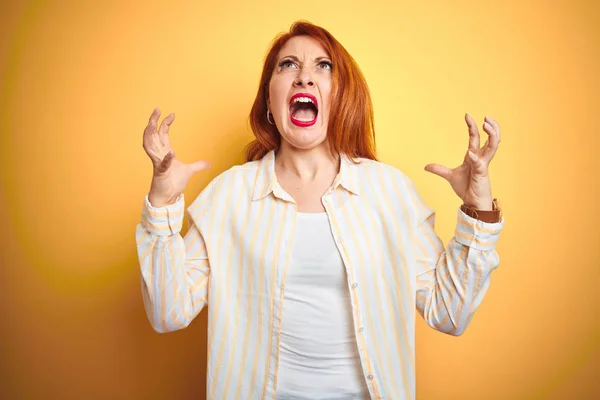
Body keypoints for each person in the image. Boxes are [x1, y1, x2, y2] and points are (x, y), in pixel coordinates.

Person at [136, 20, 503, 400]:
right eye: (288, 65)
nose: (304, 78)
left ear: (341, 95)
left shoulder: (389, 192)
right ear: (269, 100)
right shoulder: (230, 195)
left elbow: (449, 312)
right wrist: (161, 206)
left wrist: (478, 208)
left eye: (323, 66)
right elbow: (168, 311)